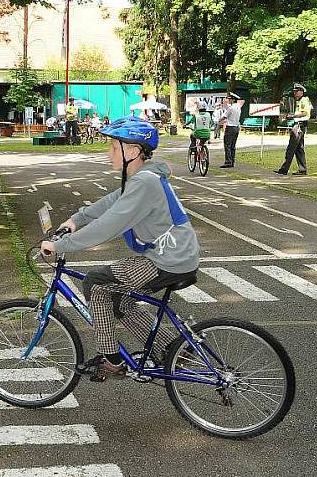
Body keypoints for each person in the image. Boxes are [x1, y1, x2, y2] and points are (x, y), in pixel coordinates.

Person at [39, 117, 200, 378]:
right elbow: (108, 204)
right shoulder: (141, 178)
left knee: (96, 282)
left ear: (133, 151)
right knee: (118, 300)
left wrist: (60, 245)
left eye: (114, 147)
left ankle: (111, 360)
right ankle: (172, 348)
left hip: (168, 260)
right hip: (175, 256)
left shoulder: (144, 182)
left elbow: (108, 225)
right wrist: (75, 220)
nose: (108, 153)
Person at [275, 83, 312, 176]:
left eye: (296, 92)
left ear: (301, 92)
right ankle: (302, 170)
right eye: (294, 92)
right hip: (300, 125)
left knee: (291, 148)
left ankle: (284, 169)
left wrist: (292, 116)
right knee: (299, 149)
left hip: (299, 126)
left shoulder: (303, 100)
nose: (295, 94)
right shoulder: (300, 101)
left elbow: (304, 113)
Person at [218, 92, 242, 168]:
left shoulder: (231, 108)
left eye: (229, 99)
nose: (228, 100)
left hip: (230, 128)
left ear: (233, 100)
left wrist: (219, 120)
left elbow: (224, 116)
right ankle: (232, 161)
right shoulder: (238, 107)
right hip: (236, 127)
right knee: (233, 146)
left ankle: (228, 161)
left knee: (227, 145)